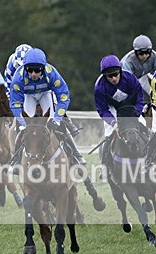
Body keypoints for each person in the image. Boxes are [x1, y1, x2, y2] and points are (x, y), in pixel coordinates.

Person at [8, 47, 104, 209]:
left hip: (46, 95)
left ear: (43, 68)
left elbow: (64, 95)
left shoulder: (52, 73)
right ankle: (17, 159)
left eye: (36, 71)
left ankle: (76, 155)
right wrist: (24, 124)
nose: (33, 74)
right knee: (21, 130)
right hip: (28, 98)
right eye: (29, 71)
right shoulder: (18, 77)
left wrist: (58, 118)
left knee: (60, 128)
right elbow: (15, 104)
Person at [93, 55, 145, 170]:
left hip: (130, 107)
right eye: (109, 76)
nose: (114, 78)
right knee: (108, 135)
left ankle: (152, 159)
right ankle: (106, 165)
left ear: (120, 71)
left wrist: (135, 114)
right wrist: (113, 123)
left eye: (116, 74)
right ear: (104, 75)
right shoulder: (99, 87)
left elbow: (140, 98)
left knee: (146, 129)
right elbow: (102, 109)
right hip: (113, 108)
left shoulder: (130, 79)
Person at [120, 34, 156, 113]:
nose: (145, 56)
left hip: (143, 76)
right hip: (126, 80)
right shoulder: (128, 61)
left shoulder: (155, 57)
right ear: (136, 52)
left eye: (147, 52)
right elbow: (129, 82)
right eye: (141, 53)